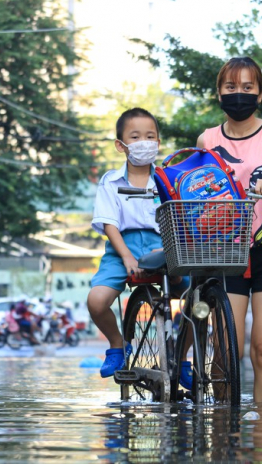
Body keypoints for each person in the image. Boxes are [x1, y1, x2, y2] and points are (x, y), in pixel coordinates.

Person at [197, 56, 262, 404]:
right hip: (225, 251)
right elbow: (195, 189)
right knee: (225, 353)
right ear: (219, 93)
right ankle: (223, 438)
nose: (238, 94)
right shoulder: (207, 139)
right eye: (230, 87)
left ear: (260, 93)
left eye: (246, 87)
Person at [87, 107, 187, 378]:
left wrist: (167, 249)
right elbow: (110, 225)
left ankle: (184, 357)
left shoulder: (169, 179)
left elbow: (179, 218)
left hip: (164, 244)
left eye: (150, 136)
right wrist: (128, 257)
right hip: (122, 248)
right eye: (135, 136)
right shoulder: (111, 181)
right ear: (121, 145)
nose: (144, 142)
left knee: (199, 297)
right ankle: (118, 345)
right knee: (96, 301)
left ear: (158, 142)